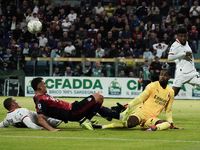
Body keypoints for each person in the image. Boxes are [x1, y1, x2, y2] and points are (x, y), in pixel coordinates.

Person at [94, 69, 180, 131]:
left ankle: (153, 128)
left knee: (167, 123)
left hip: (152, 118)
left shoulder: (171, 92)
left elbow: (168, 110)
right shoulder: (152, 86)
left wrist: (171, 123)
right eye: (161, 74)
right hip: (141, 112)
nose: (162, 77)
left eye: (165, 75)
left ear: (169, 77)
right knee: (130, 124)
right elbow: (141, 98)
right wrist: (129, 105)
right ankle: (104, 127)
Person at [31, 77, 129, 131]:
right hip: (73, 111)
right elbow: (40, 119)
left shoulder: (42, 97)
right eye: (44, 84)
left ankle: (120, 117)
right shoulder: (40, 100)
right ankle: (86, 121)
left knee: (97, 106)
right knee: (99, 96)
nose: (46, 85)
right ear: (39, 87)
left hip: (73, 109)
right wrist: (52, 129)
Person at [168, 28, 200, 96]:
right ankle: (159, 104)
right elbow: (169, 58)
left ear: (187, 36)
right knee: (172, 94)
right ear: (177, 36)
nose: (183, 38)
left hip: (192, 73)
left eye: (185, 36)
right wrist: (183, 54)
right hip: (182, 74)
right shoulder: (175, 45)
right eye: (181, 36)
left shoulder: (186, 43)